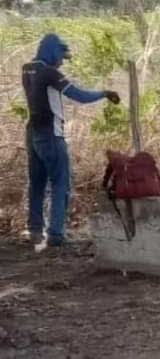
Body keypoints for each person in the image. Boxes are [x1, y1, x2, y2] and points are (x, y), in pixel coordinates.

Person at [22, 33, 120, 248]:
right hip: (51, 133)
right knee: (60, 183)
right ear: (52, 52)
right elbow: (78, 95)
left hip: (32, 132)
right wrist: (104, 93)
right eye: (60, 57)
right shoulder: (50, 73)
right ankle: (56, 235)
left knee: (36, 184)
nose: (61, 62)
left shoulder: (27, 69)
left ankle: (35, 231)